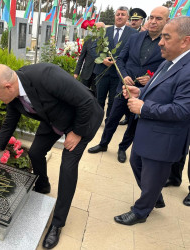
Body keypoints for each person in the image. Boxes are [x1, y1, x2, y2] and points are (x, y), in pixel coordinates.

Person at [0, 63, 103, 248]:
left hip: (82, 119)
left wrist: (76, 132)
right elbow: (8, 125)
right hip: (53, 118)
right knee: (35, 152)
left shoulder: (46, 75)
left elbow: (86, 101)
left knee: (67, 167)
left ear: (8, 86)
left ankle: (57, 223)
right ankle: (43, 185)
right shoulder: (13, 96)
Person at [114, 16, 190, 226]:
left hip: (164, 138)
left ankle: (141, 211)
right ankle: (154, 196)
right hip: (149, 131)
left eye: (166, 37)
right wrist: (140, 92)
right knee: (136, 163)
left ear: (185, 41)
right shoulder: (169, 61)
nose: (160, 43)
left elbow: (183, 110)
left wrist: (144, 107)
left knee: (153, 176)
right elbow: (159, 89)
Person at [88, 6, 169, 163]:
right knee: (112, 118)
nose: (153, 21)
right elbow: (121, 60)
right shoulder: (135, 38)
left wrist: (151, 79)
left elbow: (167, 67)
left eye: (158, 19)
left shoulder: (166, 43)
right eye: (151, 17)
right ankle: (103, 144)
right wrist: (124, 76)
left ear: (167, 21)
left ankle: (122, 148)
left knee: (133, 123)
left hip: (144, 92)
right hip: (124, 88)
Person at [90, 6, 137, 120]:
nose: (120, 16)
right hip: (102, 71)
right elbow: (93, 48)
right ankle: (96, 120)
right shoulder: (105, 31)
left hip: (119, 74)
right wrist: (102, 60)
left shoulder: (134, 34)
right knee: (99, 99)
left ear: (128, 17)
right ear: (115, 16)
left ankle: (108, 120)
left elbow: (133, 53)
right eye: (118, 14)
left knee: (113, 100)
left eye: (123, 14)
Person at [74, 22, 105, 96]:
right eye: (96, 28)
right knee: (82, 94)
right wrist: (76, 72)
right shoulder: (88, 41)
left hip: (98, 75)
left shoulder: (105, 43)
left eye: (100, 29)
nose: (97, 30)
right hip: (86, 73)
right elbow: (81, 58)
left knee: (96, 96)